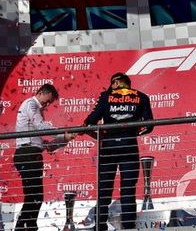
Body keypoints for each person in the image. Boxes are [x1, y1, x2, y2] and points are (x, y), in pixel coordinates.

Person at [83, 72, 154, 231]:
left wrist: (98, 134)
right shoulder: (141, 96)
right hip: (129, 146)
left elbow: (90, 120)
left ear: (117, 83)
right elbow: (149, 125)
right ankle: (128, 227)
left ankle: (100, 226)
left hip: (108, 147)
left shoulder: (106, 96)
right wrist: (135, 133)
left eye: (112, 83)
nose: (111, 87)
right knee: (128, 189)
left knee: (104, 189)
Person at [13, 84, 75, 231]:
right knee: (34, 196)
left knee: (35, 196)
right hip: (27, 154)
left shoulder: (35, 108)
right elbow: (40, 126)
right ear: (40, 93)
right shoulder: (31, 104)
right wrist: (62, 135)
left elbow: (42, 140)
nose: (47, 105)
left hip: (32, 154)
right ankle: (25, 227)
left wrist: (62, 140)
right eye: (47, 101)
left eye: (49, 103)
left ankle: (28, 226)